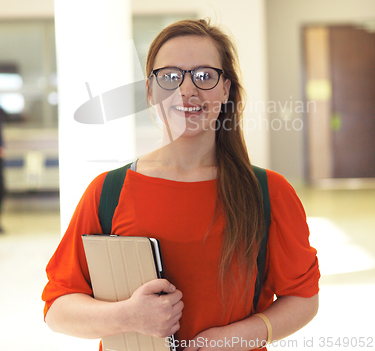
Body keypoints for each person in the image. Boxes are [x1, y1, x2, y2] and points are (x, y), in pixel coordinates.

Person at [42, 18, 320, 350]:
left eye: (204, 75)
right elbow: (57, 308)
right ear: (150, 91)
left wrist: (230, 339)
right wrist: (129, 316)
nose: (186, 90)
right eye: (170, 76)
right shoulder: (108, 191)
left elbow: (303, 298)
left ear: (226, 89)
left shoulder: (268, 192)